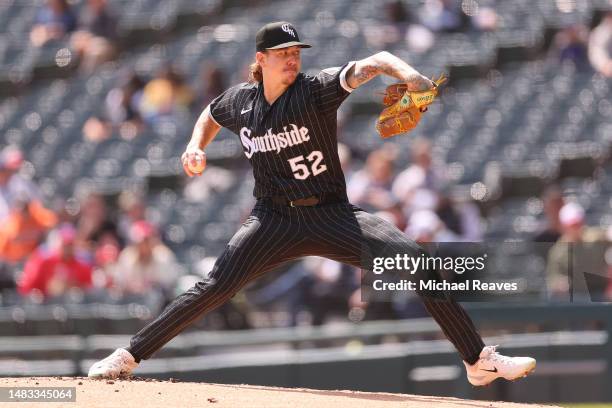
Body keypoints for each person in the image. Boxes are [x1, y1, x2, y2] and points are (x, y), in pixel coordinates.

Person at [89, 21, 536, 386]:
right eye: (284, 53)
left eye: (296, 52)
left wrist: (411, 77)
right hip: (273, 219)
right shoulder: (240, 103)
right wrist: (194, 145)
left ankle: (478, 360)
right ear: (260, 61)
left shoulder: (316, 89)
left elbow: (376, 62)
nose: (293, 59)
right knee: (215, 287)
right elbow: (210, 112)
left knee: (416, 260)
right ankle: (129, 355)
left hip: (331, 213)